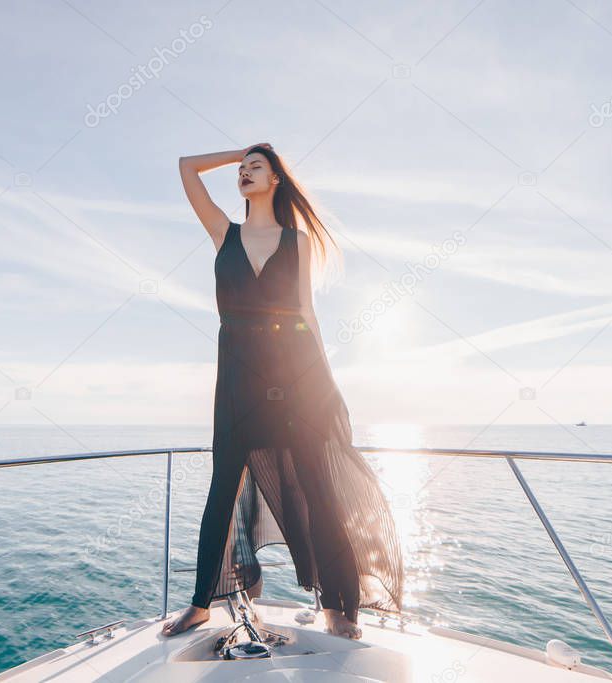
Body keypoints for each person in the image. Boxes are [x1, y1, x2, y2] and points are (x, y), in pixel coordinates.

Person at [161, 143, 404, 639]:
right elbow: (187, 168)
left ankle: (341, 606)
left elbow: (306, 314)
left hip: (297, 378)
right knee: (221, 489)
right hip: (236, 380)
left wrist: (327, 384)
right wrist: (242, 151)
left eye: (256, 168)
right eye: (242, 170)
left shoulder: (298, 242)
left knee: (319, 489)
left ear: (276, 180)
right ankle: (202, 603)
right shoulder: (222, 233)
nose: (245, 174)